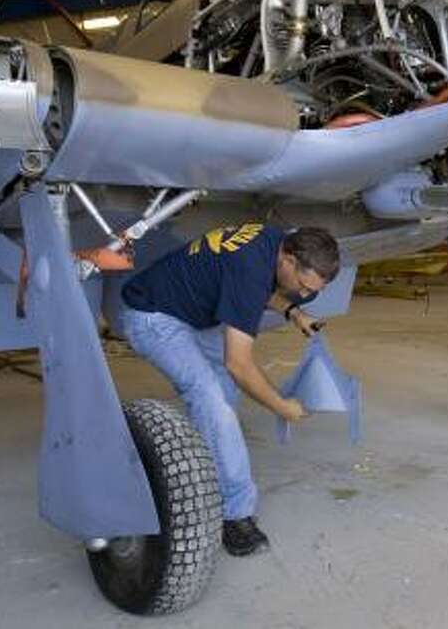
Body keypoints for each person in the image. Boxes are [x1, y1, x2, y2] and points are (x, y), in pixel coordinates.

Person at [118, 223, 341, 556]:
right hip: (153, 319)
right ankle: (234, 516)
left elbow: (261, 287)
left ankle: (213, 466)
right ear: (289, 260)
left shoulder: (273, 240)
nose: (306, 294)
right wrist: (282, 407)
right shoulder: (251, 267)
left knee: (223, 398)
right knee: (212, 400)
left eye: (312, 292)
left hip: (188, 314)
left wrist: (293, 312)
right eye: (304, 287)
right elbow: (239, 364)